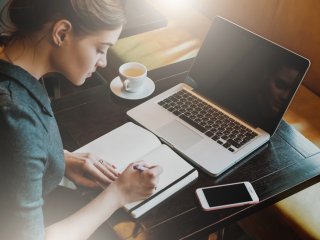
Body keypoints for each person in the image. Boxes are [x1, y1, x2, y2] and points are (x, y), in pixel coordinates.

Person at [0, 1, 163, 240]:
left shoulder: (13, 64)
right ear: (62, 33)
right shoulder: (16, 116)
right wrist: (119, 193)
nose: (104, 62)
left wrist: (58, 158)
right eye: (100, 48)